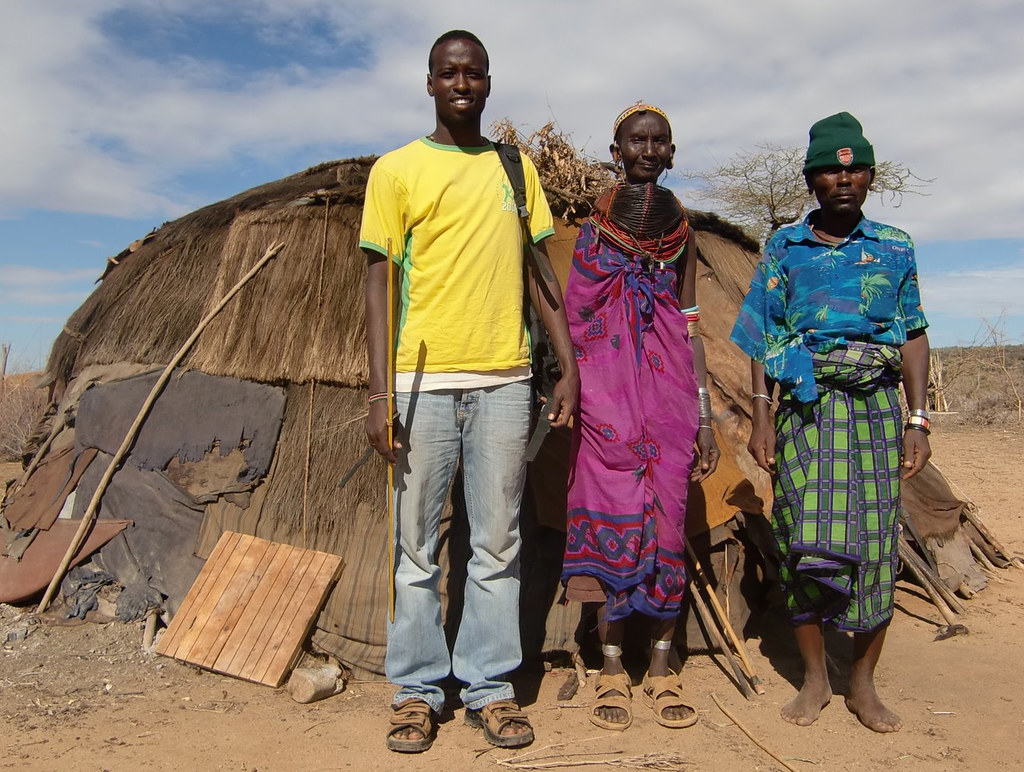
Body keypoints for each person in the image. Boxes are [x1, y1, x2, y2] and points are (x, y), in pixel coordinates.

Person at [360, 30, 579, 753]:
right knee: (416, 547)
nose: (462, 83)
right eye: (448, 73)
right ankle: (417, 690)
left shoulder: (515, 172)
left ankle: (487, 686)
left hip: (504, 382)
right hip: (421, 384)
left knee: (496, 543)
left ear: (488, 84)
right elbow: (377, 283)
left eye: (474, 73)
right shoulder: (396, 171)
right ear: (428, 83)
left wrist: (569, 365)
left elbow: (540, 277)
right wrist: (377, 393)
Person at [731, 112, 931, 733]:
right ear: (812, 180)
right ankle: (816, 678)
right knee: (800, 540)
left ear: (869, 176)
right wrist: (761, 416)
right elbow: (765, 335)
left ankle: (862, 684)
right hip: (806, 413)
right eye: (830, 170)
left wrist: (917, 418)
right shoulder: (785, 248)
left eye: (855, 168)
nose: (843, 179)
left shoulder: (895, 246)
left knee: (873, 547)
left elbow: (914, 336)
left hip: (873, 413)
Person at [561, 102, 719, 731]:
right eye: (637, 140)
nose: (649, 150)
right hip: (606, 406)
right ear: (617, 149)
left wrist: (703, 415)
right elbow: (576, 317)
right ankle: (607, 667)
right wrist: (589, 390)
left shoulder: (684, 235)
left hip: (670, 402)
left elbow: (689, 326)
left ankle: (660, 664)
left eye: (660, 141)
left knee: (668, 527)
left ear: (672, 153)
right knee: (612, 520)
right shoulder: (595, 233)